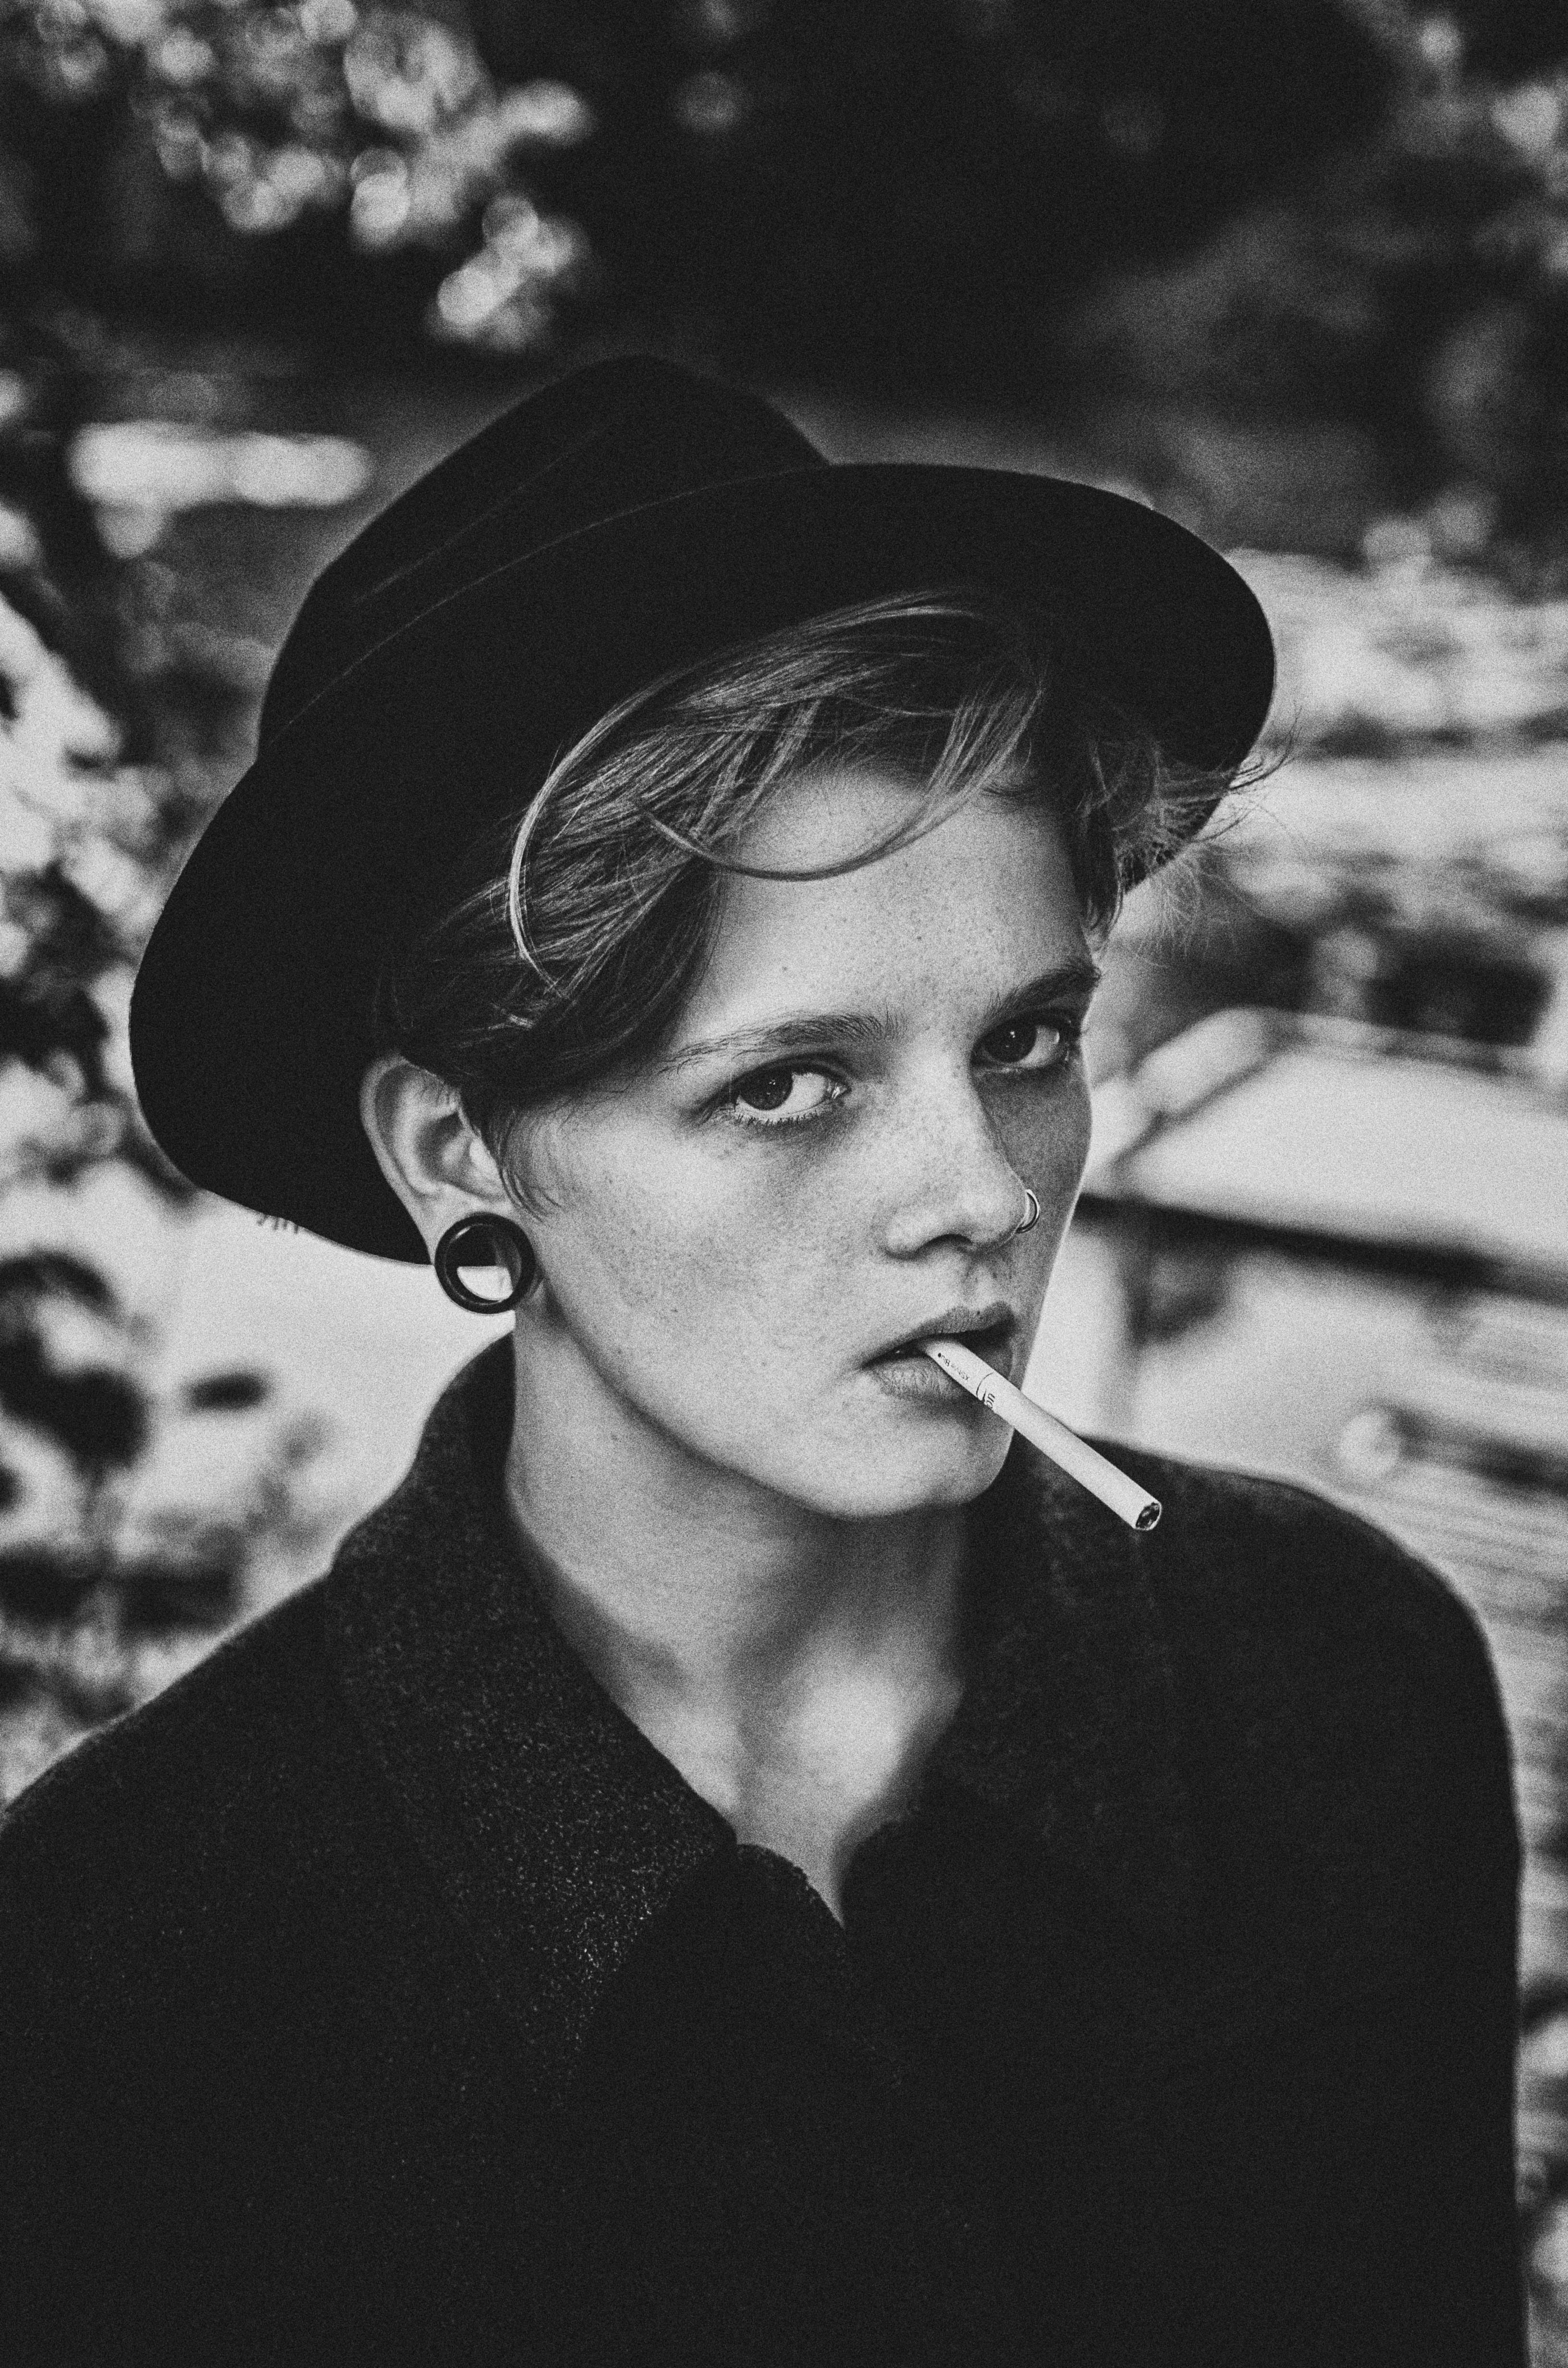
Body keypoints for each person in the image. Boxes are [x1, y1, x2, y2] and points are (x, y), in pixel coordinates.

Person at [0, 358, 1523, 2366]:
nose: (978, 1188)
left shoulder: (1340, 1681)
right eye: (791, 1084)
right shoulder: (125, 1970)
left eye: (1027, 1039)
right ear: (464, 1150)